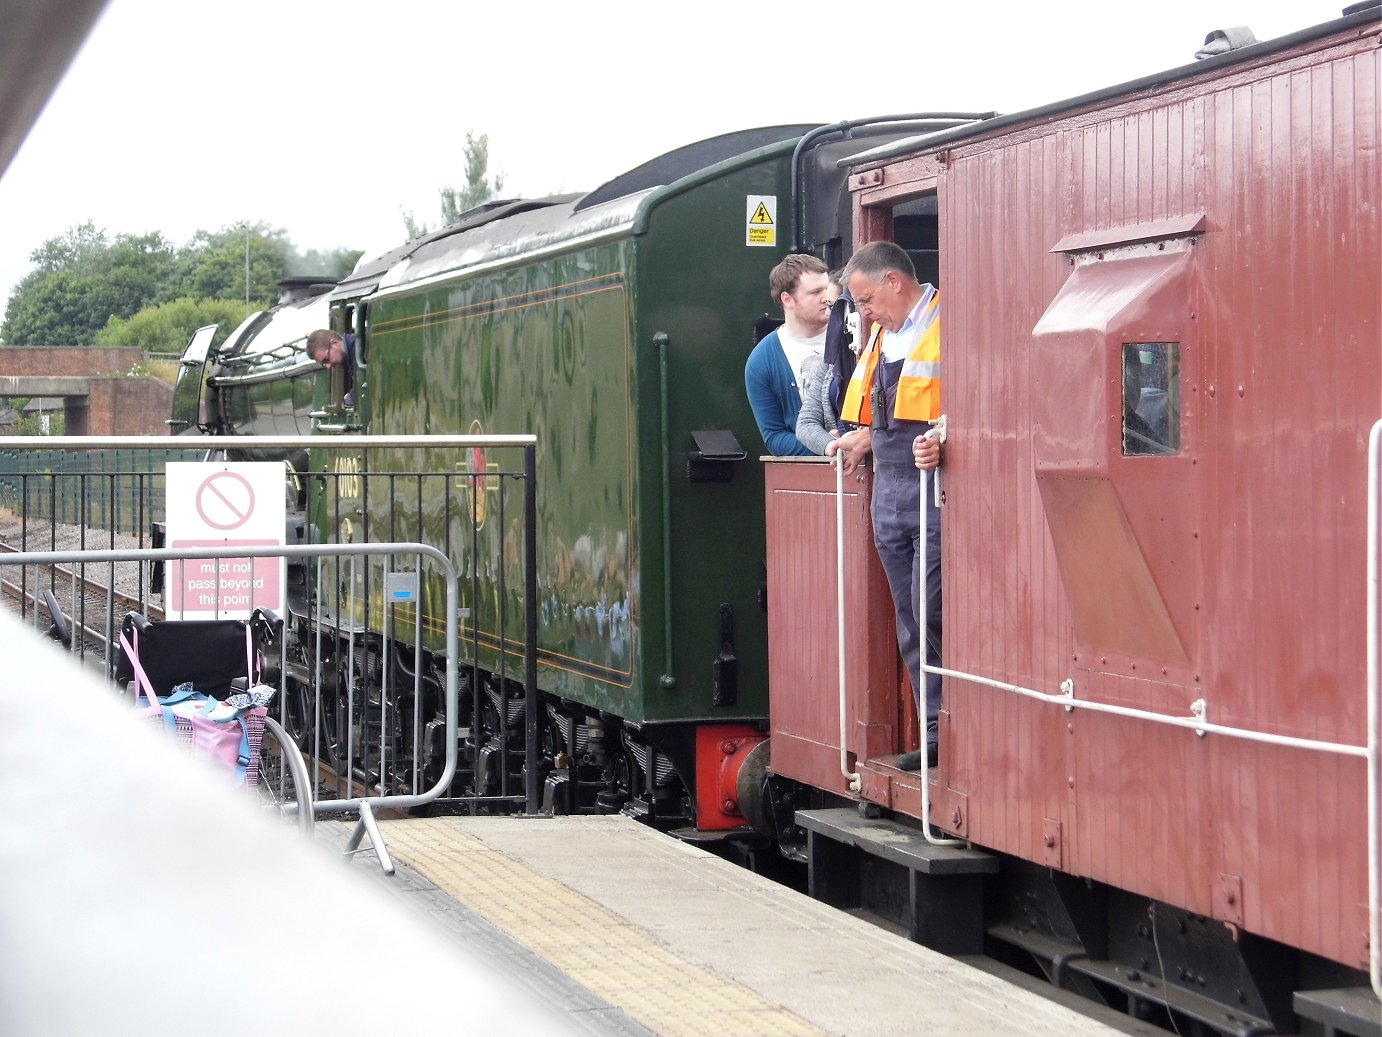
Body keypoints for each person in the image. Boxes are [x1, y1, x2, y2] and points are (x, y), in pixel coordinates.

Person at [827, 242, 942, 771]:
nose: (864, 313)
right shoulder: (879, 337)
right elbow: (888, 414)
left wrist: (946, 438)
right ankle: (936, 729)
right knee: (909, 618)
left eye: (868, 299)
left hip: (936, 490)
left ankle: (948, 729)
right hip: (891, 493)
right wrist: (863, 439)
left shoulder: (950, 324)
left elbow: (987, 402)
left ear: (896, 281)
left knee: (932, 610)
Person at [744, 254, 832, 456]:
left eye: (827, 288)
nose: (826, 297)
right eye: (815, 292)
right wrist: (828, 446)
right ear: (787, 299)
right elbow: (774, 437)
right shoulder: (761, 361)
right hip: (813, 475)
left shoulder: (853, 336)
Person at [796, 272, 855, 455]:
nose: (827, 313)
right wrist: (832, 445)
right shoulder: (829, 362)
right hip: (845, 465)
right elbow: (805, 423)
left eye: (832, 306)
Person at [306, 328, 356, 406]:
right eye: (324, 363)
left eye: (327, 359)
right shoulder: (350, 355)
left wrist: (348, 399)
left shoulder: (358, 348)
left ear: (334, 343)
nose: (329, 366)